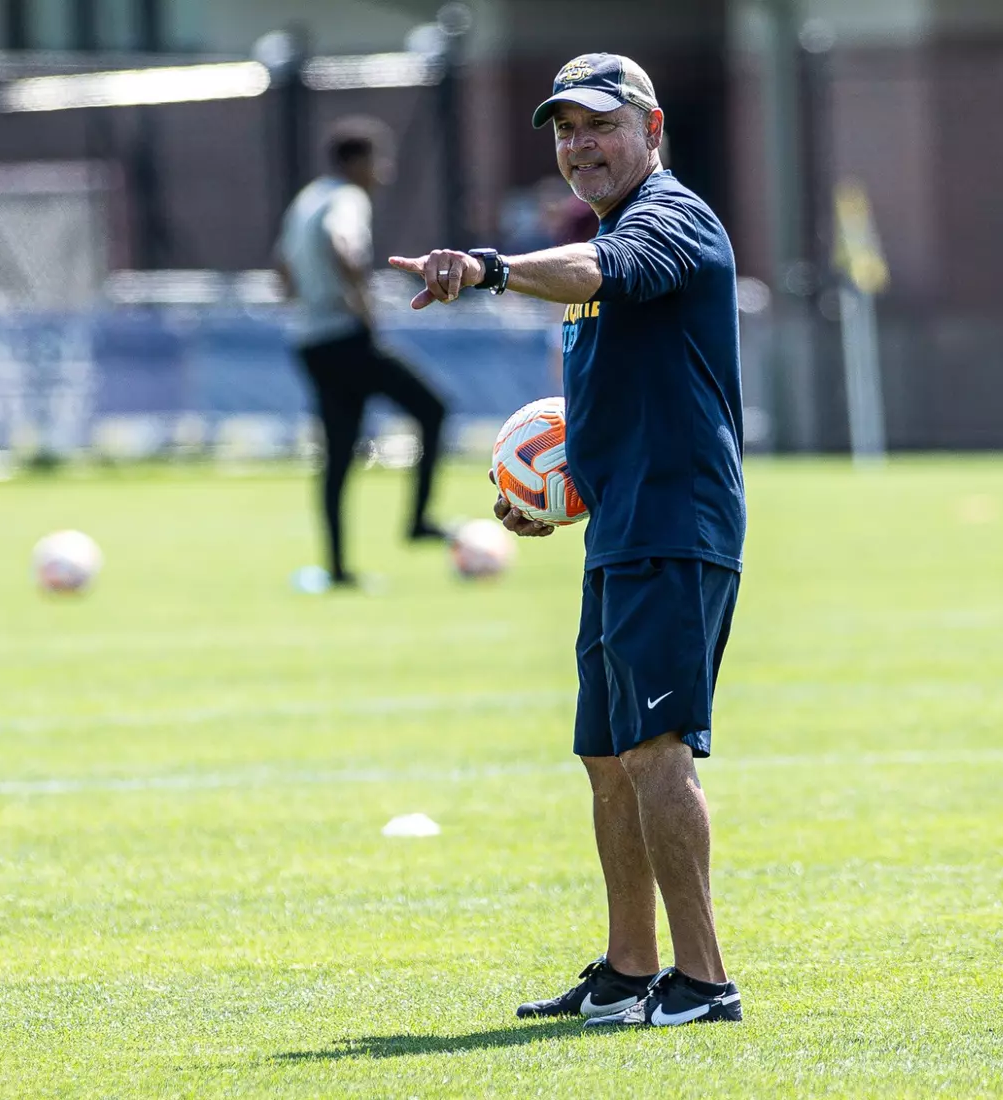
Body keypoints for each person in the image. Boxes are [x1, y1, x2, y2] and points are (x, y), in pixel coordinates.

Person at [389, 54, 745, 1028]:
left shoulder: (666, 220)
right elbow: (625, 386)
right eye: (564, 130)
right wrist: (561, 490)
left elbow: (603, 272)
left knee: (658, 748)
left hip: (677, 526)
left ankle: (705, 981)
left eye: (599, 124)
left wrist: (493, 268)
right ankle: (631, 970)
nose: (579, 145)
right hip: (624, 525)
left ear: (651, 126)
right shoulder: (602, 230)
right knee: (607, 753)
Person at [275, 117, 447, 589]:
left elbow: (282, 270)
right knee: (433, 408)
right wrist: (364, 309)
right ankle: (418, 521)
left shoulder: (306, 199)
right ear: (355, 161)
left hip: (310, 342)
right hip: (346, 337)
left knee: (338, 452)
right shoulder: (347, 199)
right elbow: (343, 245)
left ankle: (336, 568)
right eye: (378, 159)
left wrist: (306, 302)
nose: (384, 170)